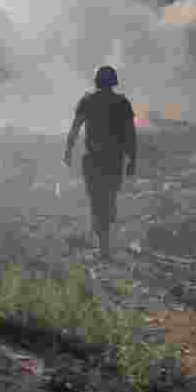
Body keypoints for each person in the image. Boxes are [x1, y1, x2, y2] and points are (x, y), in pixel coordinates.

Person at [63, 65, 137, 261]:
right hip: (114, 160)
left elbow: (75, 128)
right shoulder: (122, 103)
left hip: (94, 160)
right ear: (113, 82)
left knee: (97, 202)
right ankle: (105, 244)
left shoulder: (87, 101)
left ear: (96, 81)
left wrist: (68, 151)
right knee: (109, 200)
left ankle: (103, 245)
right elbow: (130, 134)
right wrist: (132, 160)